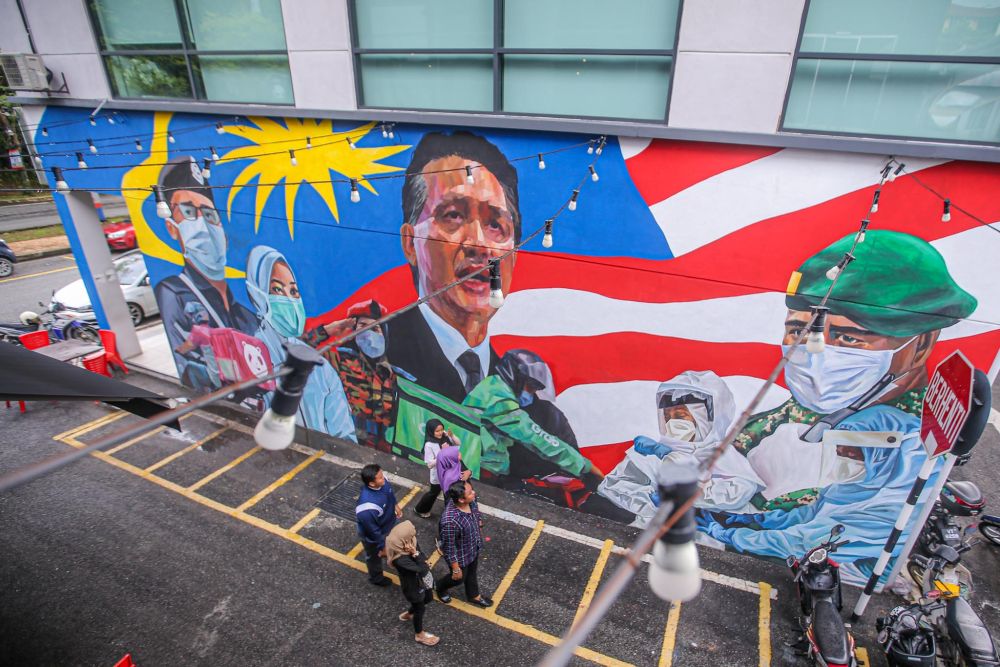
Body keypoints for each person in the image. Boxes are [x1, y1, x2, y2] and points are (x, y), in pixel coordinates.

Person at [697, 230, 978, 582]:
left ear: (920, 345)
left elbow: (833, 531)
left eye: (848, 337)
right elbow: (819, 504)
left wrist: (732, 533)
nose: (815, 351)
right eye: (800, 331)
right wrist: (743, 519)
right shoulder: (812, 412)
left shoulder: (906, 438)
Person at [386, 131, 520, 403]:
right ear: (410, 243)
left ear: (514, 255)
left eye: (496, 225)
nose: (479, 244)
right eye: (454, 216)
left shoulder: (530, 401)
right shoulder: (373, 360)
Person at [598, 371, 764, 526]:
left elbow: (732, 496)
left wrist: (675, 466)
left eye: (680, 416)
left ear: (711, 418)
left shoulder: (724, 457)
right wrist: (648, 502)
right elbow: (614, 487)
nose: (672, 422)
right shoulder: (647, 455)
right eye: (667, 416)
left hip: (705, 540)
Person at [154, 156, 257, 390]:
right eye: (188, 211)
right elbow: (188, 367)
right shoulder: (175, 294)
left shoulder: (247, 316)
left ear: (225, 237)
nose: (202, 225)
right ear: (172, 227)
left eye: (209, 215)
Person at [244, 245, 356, 442]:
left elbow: (345, 436)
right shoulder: (250, 358)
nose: (289, 299)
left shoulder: (320, 367)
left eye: (294, 291)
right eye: (277, 289)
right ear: (257, 293)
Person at [462, 348, 603, 489]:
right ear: (515, 376)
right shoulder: (497, 397)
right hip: (479, 474)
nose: (531, 393)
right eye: (530, 387)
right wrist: (584, 466)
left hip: (482, 471)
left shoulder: (492, 388)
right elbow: (534, 436)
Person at [304, 299, 402, 449]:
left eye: (375, 328)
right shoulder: (340, 360)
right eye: (363, 326)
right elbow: (300, 350)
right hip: (345, 444)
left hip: (381, 453)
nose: (369, 333)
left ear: (384, 334)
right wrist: (328, 331)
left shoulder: (393, 377)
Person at [436, 480, 492, 607]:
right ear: (461, 500)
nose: (474, 493)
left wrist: (479, 521)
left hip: (473, 547)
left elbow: (475, 510)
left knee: (472, 571)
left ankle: (473, 595)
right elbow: (449, 548)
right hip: (460, 555)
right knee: (458, 579)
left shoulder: (470, 500)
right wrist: (456, 569)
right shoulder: (450, 521)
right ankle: (440, 586)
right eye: (470, 492)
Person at [386, 520, 439, 646]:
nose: (414, 534)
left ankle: (409, 614)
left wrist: (417, 554)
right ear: (402, 539)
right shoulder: (399, 559)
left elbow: (423, 559)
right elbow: (422, 568)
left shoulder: (409, 541)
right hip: (413, 587)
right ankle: (419, 635)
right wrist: (415, 553)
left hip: (422, 581)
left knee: (428, 598)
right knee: (420, 608)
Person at [355, 464, 401, 586]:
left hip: (389, 524)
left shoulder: (382, 481)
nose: (384, 477)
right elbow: (373, 531)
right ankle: (376, 578)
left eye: (382, 474)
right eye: (380, 477)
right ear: (371, 483)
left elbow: (389, 493)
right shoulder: (366, 508)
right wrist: (382, 547)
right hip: (374, 534)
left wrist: (395, 505)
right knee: (374, 557)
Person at [413, 419, 464, 518]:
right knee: (434, 492)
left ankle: (451, 515)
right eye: (437, 431)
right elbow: (429, 464)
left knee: (449, 494)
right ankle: (420, 509)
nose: (440, 432)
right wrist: (442, 453)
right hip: (438, 475)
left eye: (441, 429)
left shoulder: (445, 436)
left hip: (450, 472)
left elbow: (458, 443)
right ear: (431, 431)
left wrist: (452, 435)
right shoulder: (429, 445)